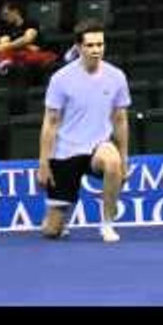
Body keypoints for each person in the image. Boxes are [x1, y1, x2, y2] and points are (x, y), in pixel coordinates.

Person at [37, 19, 130, 244]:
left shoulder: (116, 76)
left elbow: (120, 119)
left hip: (98, 147)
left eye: (100, 44)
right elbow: (50, 122)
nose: (96, 50)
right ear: (78, 47)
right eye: (90, 45)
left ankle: (107, 224)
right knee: (52, 232)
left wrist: (124, 158)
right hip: (65, 152)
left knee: (113, 161)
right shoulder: (60, 79)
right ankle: (59, 216)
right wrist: (44, 163)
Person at [0, 1, 58, 75]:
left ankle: (9, 64)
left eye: (6, 14)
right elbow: (2, 46)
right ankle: (7, 65)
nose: (5, 17)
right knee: (4, 53)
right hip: (16, 54)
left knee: (45, 56)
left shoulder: (31, 23)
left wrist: (18, 45)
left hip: (32, 54)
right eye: (3, 15)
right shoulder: (5, 28)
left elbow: (28, 39)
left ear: (15, 11)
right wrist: (26, 46)